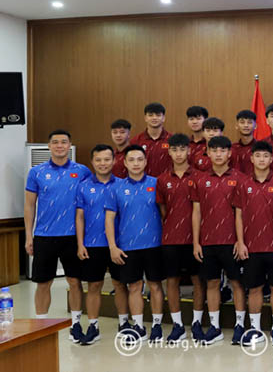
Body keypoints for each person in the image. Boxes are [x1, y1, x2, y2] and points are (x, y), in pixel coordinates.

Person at [24, 130, 88, 340]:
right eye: (55, 142)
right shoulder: (37, 172)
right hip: (44, 236)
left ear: (69, 145)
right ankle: (41, 325)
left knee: (75, 281)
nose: (59, 145)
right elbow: (29, 205)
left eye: (64, 142)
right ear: (49, 146)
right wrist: (29, 236)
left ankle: (76, 325)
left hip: (72, 237)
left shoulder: (82, 171)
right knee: (43, 283)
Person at [191, 136, 249, 345]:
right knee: (212, 283)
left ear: (229, 153)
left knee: (236, 283)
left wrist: (240, 240)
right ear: (208, 152)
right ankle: (214, 326)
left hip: (232, 241)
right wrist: (196, 242)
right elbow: (196, 212)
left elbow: (242, 214)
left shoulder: (241, 178)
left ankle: (240, 325)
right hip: (207, 241)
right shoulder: (199, 179)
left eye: (222, 150)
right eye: (213, 150)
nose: (218, 154)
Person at [104, 145, 165, 341]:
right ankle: (138, 326)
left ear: (146, 162)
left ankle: (156, 325)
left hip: (154, 246)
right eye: (132, 160)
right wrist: (113, 246)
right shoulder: (117, 188)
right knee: (134, 287)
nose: (136, 164)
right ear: (125, 162)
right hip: (128, 247)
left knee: (155, 285)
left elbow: (165, 214)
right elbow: (109, 219)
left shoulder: (156, 184)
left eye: (140, 159)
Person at [235, 141, 273, 347]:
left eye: (266, 156)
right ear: (251, 158)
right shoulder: (243, 183)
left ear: (272, 159)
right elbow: (238, 216)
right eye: (258, 156)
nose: (262, 160)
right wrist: (240, 242)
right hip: (251, 246)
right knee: (254, 289)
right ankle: (255, 329)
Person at [74, 144, 128, 345]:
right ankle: (93, 325)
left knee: (120, 284)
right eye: (98, 160)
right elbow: (79, 217)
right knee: (94, 285)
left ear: (114, 161)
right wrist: (80, 244)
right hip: (92, 243)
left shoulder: (123, 185)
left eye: (107, 159)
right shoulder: (83, 186)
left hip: (118, 244)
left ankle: (124, 323)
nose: (103, 163)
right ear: (92, 162)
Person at [156, 134, 207, 342]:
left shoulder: (200, 176)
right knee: (172, 281)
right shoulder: (161, 179)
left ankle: (196, 323)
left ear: (189, 151)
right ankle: (177, 325)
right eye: (174, 150)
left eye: (182, 150)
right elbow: (162, 210)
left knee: (198, 281)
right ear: (169, 152)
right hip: (170, 239)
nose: (178, 154)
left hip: (195, 239)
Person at [130, 102, 172, 178]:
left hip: (167, 184)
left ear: (163, 118)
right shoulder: (136, 141)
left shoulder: (172, 140)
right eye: (150, 115)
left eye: (158, 115)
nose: (154, 118)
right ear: (145, 118)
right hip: (143, 184)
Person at [232, 110, 258, 175]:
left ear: (255, 126)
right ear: (236, 126)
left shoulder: (261, 148)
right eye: (242, 122)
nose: (246, 125)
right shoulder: (232, 148)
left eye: (249, 122)